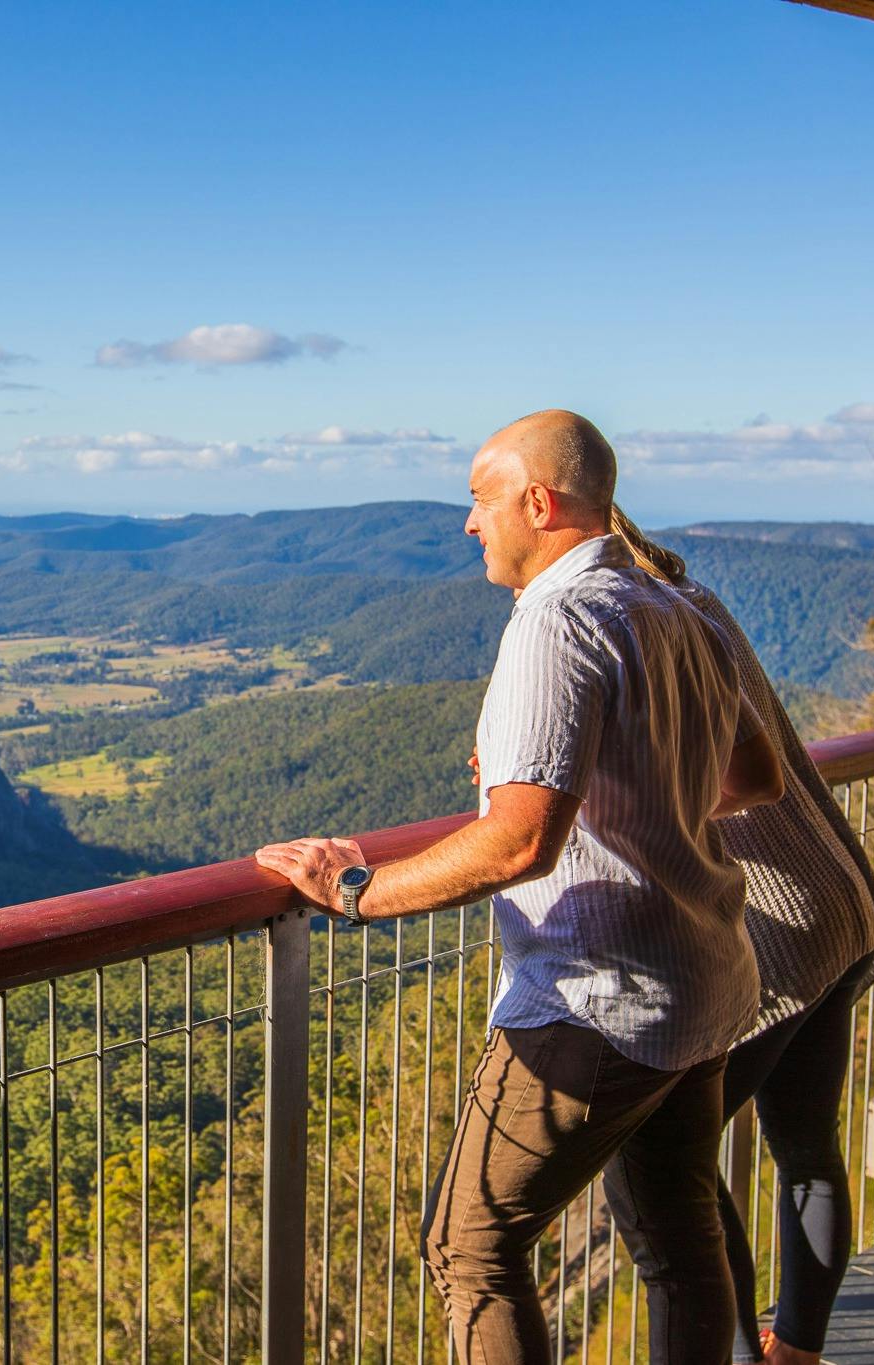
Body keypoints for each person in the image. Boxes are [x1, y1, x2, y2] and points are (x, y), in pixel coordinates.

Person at [255, 410, 785, 1365]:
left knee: (471, 1250)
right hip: (701, 978)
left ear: (538, 502)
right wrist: (618, 784)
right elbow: (754, 777)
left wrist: (353, 888)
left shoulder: (559, 617)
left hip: (597, 1002)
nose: (469, 525)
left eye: (478, 499)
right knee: (681, 1242)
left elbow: (518, 844)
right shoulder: (679, 607)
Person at [602, 508, 874, 1365]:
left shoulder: (634, 621)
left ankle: (732, 1352)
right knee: (805, 1143)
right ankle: (796, 1350)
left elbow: (685, 775)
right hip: (836, 895)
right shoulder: (691, 598)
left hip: (777, 918)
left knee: (669, 1156)